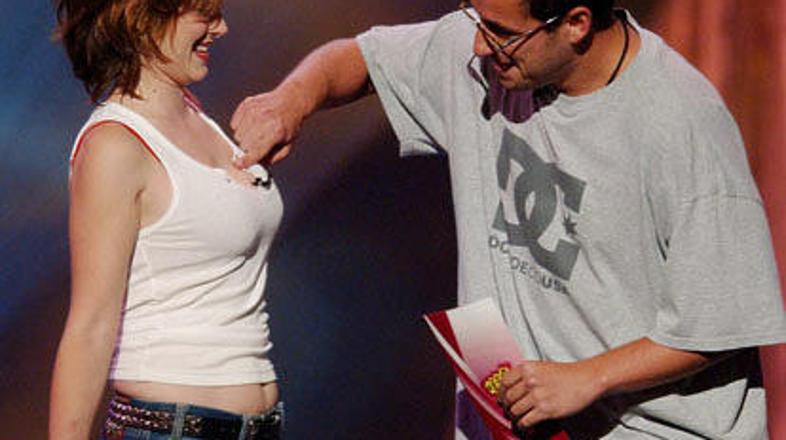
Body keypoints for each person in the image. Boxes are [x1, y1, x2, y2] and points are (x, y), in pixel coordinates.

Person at [230, 0, 786, 438]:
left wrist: (586, 377)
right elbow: (356, 58)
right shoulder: (484, 58)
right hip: (512, 419)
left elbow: (722, 322)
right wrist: (289, 101)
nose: (478, 44)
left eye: (499, 31)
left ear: (576, 23)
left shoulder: (682, 123)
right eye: (475, 17)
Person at [49, 1, 284, 439]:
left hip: (258, 426)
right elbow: (91, 325)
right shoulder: (114, 145)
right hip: (169, 426)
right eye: (205, 15)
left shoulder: (198, 117)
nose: (222, 29)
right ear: (143, 18)